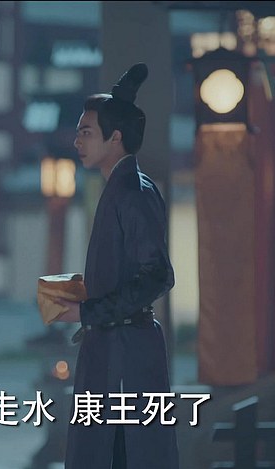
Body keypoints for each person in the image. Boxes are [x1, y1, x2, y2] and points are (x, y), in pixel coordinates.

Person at [55, 63, 177, 468]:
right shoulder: (120, 188)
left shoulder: (133, 192)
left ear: (116, 137)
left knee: (124, 454)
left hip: (127, 352)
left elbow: (157, 275)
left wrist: (88, 311)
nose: (77, 141)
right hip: (113, 347)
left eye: (86, 132)